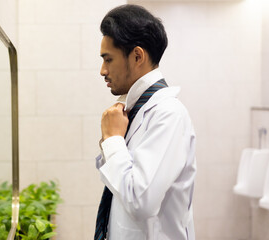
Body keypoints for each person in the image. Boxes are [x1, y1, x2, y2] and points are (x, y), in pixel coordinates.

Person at [94, 4, 197, 240]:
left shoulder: (168, 114)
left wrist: (113, 141)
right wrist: (110, 144)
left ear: (137, 56)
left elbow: (141, 201)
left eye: (108, 59)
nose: (102, 70)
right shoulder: (135, 111)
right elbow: (121, 185)